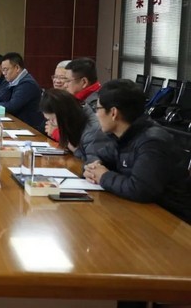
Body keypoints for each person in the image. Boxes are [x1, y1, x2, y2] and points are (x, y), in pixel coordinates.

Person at [83, 79, 191, 223]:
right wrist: (92, 167)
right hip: (142, 212)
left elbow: (141, 189)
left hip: (172, 220)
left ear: (113, 113)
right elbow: (98, 155)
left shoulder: (152, 142)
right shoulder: (124, 135)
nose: (96, 115)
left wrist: (103, 176)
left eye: (98, 109)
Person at [39, 88, 109, 163]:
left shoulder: (92, 131)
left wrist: (73, 148)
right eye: (48, 119)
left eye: (52, 120)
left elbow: (92, 164)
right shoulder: (74, 118)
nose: (51, 123)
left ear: (64, 114)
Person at [0, 52, 45, 132]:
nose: (3, 73)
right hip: (17, 124)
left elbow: (12, 106)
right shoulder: (13, 81)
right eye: (2, 70)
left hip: (29, 128)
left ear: (17, 68)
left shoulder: (27, 84)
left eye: (6, 69)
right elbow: (1, 98)